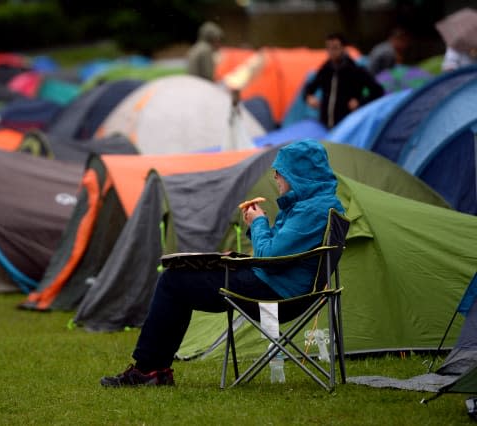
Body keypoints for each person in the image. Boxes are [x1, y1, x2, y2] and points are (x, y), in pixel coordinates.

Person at [100, 139, 345, 387]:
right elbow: (276, 253)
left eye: (281, 172)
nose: (275, 176)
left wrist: (258, 223)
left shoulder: (311, 210)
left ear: (299, 174)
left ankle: (148, 371)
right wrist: (254, 231)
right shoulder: (315, 205)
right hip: (279, 286)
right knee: (181, 276)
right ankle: (156, 370)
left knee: (173, 281)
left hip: (275, 293)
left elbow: (270, 259)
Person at [304, 33, 385, 129]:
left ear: (343, 48)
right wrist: (309, 97)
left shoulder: (355, 70)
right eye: (328, 48)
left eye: (335, 48)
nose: (331, 52)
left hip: (347, 125)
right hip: (326, 124)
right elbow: (310, 87)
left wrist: (360, 102)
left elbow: (377, 91)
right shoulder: (325, 69)